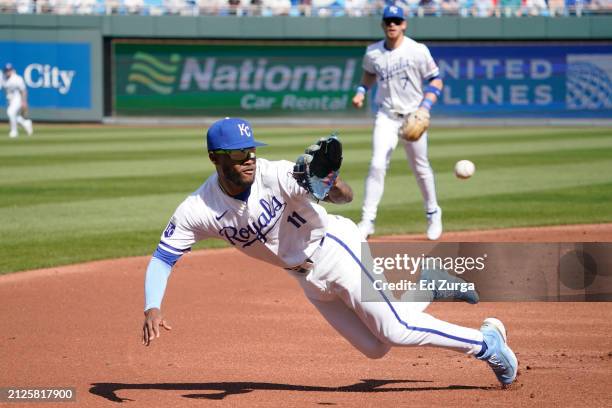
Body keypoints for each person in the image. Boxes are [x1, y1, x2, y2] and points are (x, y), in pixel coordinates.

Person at [140, 117, 518, 388]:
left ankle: (486, 345)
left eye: (252, 150)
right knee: (374, 349)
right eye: (240, 154)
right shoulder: (198, 208)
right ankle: (426, 287)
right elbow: (163, 258)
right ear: (215, 158)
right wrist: (152, 305)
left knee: (396, 329)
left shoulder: (275, 174)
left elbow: (344, 197)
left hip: (336, 248)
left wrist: (329, 184)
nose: (250, 158)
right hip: (305, 277)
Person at [352, 5, 444, 241]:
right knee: (377, 164)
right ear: (383, 25)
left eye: (396, 20)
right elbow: (369, 73)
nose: (392, 24)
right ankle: (367, 220)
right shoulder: (373, 52)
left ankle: (433, 213)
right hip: (386, 116)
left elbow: (436, 79)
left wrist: (425, 108)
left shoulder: (417, 50)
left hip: (414, 115)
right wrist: (362, 90)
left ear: (404, 24)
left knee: (420, 168)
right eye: (388, 21)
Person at [1, 63, 33, 139]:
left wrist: (24, 102)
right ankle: (25, 123)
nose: (8, 72)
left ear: (12, 70)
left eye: (9, 70)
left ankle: (14, 131)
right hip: (10, 99)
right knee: (13, 115)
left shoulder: (17, 78)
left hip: (18, 98)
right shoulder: (3, 78)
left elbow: (24, 91)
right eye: (6, 70)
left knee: (10, 112)